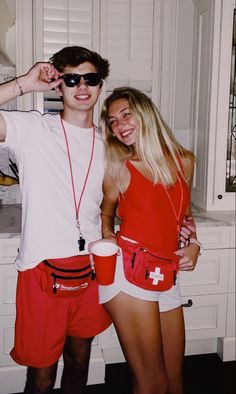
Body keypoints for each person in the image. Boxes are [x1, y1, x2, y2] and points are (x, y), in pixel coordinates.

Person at [0, 46, 112, 394]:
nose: (82, 86)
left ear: (100, 85)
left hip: (93, 268)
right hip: (40, 270)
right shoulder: (33, 128)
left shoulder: (110, 143)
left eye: (90, 78)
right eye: (72, 78)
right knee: (42, 376)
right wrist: (23, 84)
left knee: (80, 363)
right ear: (58, 86)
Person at [96, 87, 201, 394]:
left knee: (173, 379)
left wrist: (194, 244)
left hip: (167, 272)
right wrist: (107, 237)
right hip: (128, 273)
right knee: (151, 382)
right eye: (113, 121)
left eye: (126, 114)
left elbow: (183, 214)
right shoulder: (118, 168)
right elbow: (105, 214)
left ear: (146, 113)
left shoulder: (185, 162)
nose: (119, 125)